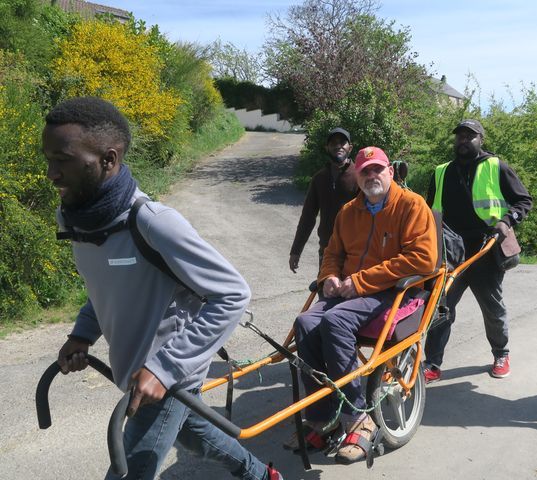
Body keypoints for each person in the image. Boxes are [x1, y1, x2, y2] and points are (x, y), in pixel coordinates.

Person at [44, 96, 283, 480]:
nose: (52, 173)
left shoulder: (153, 222)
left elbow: (233, 294)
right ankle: (262, 476)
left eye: (64, 159)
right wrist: (83, 333)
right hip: (141, 374)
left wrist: (164, 369)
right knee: (196, 435)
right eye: (48, 159)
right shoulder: (74, 218)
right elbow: (105, 284)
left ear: (108, 159)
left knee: (128, 471)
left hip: (168, 376)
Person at [292, 146, 438, 464]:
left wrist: (359, 282)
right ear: (357, 177)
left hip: (393, 292)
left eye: (377, 169)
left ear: (390, 171)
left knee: (335, 322)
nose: (372, 175)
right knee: (304, 323)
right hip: (349, 293)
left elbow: (423, 259)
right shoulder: (348, 212)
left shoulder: (412, 205)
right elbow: (333, 253)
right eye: (365, 171)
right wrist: (327, 277)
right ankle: (322, 417)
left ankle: (360, 417)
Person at [424, 119, 532, 382]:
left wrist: (506, 221)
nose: (463, 140)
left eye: (469, 136)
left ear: (481, 139)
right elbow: (426, 213)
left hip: (485, 249)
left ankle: (501, 353)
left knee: (492, 307)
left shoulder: (496, 166)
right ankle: (433, 364)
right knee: (441, 309)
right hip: (450, 252)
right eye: (459, 135)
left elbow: (523, 200)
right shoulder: (441, 172)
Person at [289, 127, 358, 273]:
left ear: (350, 147)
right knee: (326, 291)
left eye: (342, 142)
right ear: (327, 148)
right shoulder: (319, 178)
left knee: (352, 293)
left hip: (355, 251)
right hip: (327, 250)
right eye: (333, 143)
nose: (338, 146)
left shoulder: (360, 176)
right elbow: (307, 217)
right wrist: (296, 250)